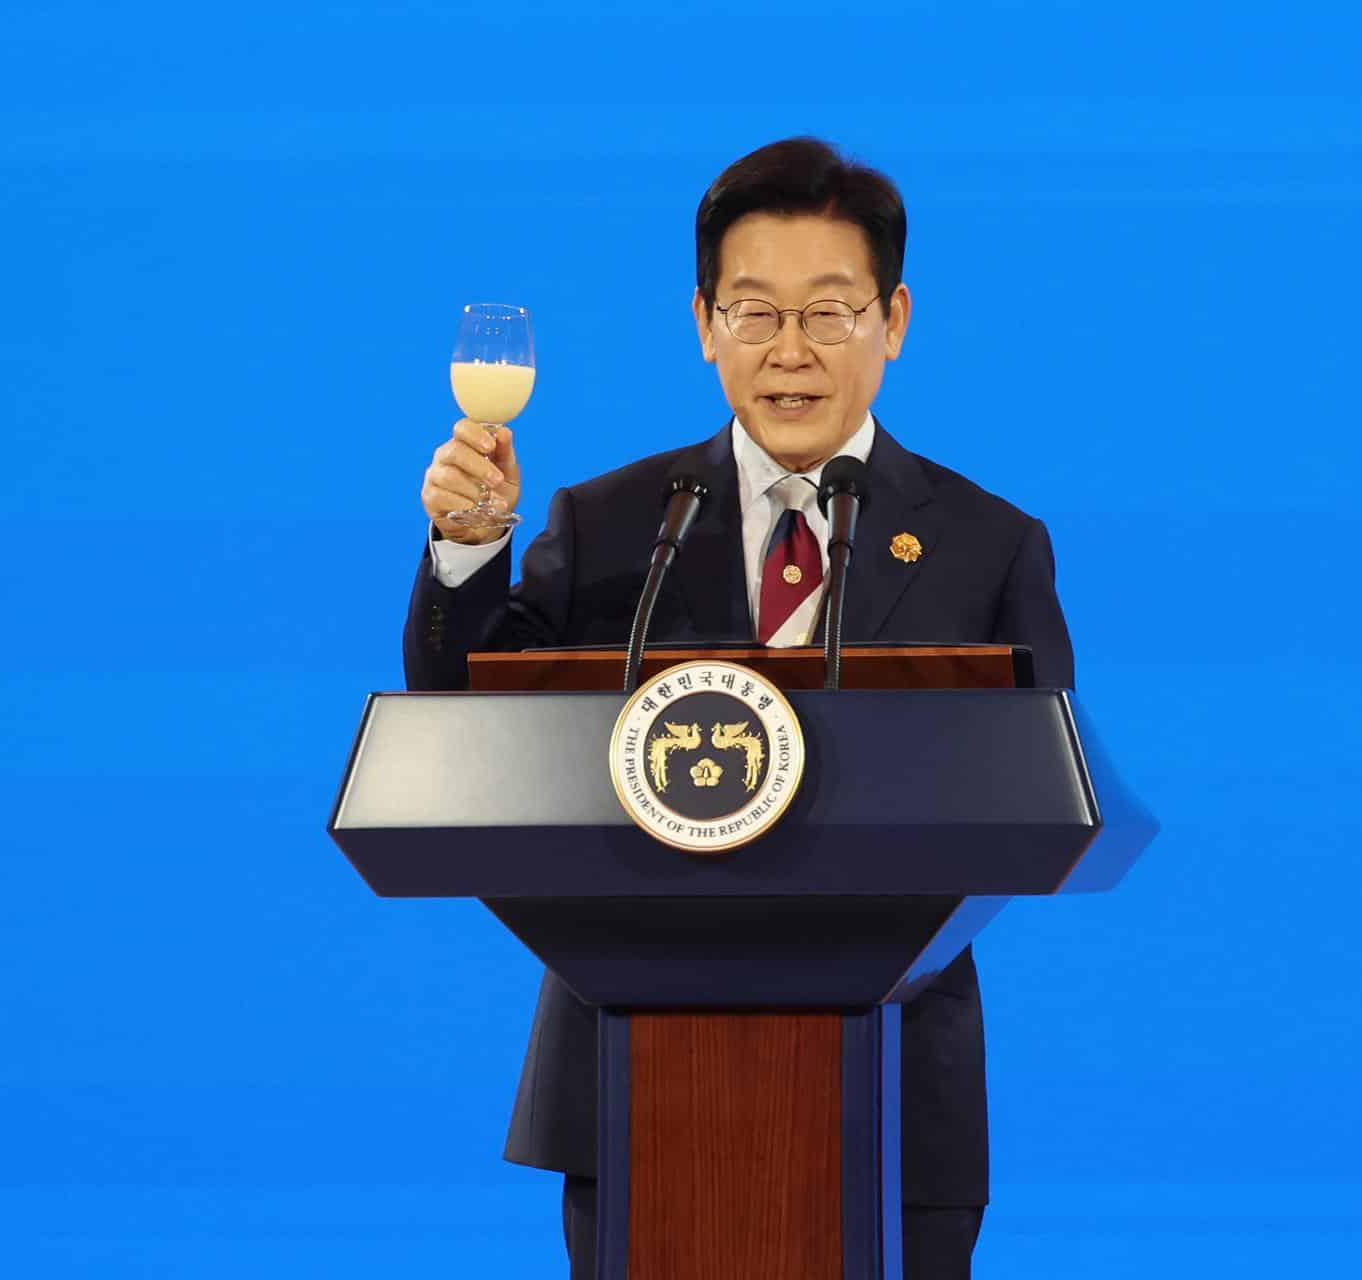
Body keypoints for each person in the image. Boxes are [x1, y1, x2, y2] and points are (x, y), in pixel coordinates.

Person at [404, 137, 1073, 1280]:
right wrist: (470, 551)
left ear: (894, 318)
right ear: (706, 322)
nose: (791, 352)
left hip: (897, 1089)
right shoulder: (617, 522)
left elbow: (1042, 785)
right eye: (756, 313)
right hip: (631, 1077)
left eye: (830, 311)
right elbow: (465, 713)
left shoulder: (984, 543)